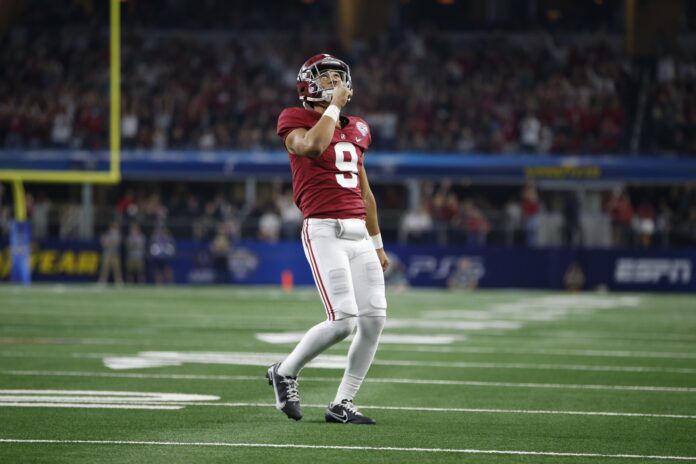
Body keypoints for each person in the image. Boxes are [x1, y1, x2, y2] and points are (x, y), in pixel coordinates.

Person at [267, 54, 389, 425]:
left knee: (374, 320)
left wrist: (378, 243)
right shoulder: (294, 118)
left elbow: (366, 194)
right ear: (308, 83)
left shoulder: (359, 128)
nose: (335, 82)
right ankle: (284, 371)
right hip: (323, 227)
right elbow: (313, 147)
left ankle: (342, 403)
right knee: (343, 320)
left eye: (339, 76)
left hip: (358, 233)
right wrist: (333, 107)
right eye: (328, 76)